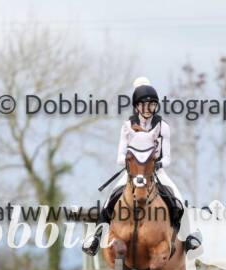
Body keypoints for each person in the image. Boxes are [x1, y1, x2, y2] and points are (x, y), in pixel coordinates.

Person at [82, 77, 202, 256]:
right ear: (136, 106)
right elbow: (120, 157)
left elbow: (168, 158)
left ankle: (188, 238)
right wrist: (134, 164)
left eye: (151, 105)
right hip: (133, 172)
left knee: (177, 198)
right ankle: (95, 238)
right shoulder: (127, 126)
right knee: (110, 200)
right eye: (143, 105)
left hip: (156, 171)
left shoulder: (163, 126)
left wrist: (156, 164)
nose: (147, 109)